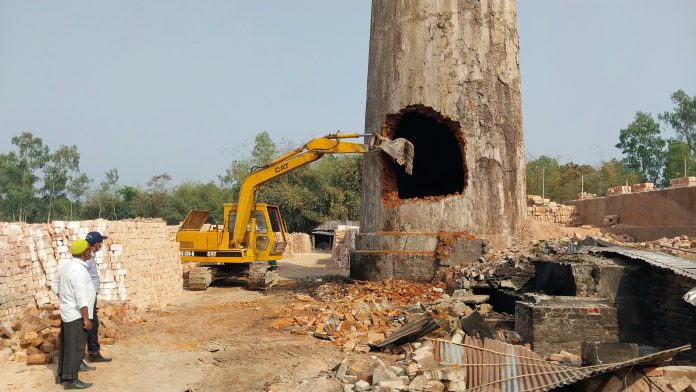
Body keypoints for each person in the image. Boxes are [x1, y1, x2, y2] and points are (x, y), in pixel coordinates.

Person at [56, 239, 95, 390]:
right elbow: (81, 298)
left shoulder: (67, 266)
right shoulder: (78, 270)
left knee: (67, 346)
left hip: (68, 312)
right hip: (76, 314)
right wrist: (86, 318)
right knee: (76, 347)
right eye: (89, 249)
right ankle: (71, 380)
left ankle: (62, 375)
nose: (90, 251)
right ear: (84, 252)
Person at [84, 231, 112, 363]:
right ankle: (93, 353)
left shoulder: (89, 255)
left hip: (90, 294)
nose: (101, 245)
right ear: (96, 244)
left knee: (92, 322)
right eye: (100, 243)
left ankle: (93, 352)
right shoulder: (87, 257)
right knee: (91, 323)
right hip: (88, 295)